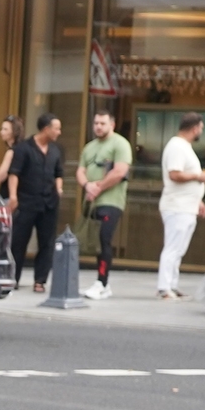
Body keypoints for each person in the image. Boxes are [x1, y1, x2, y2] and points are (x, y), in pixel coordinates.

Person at [75, 109, 131, 298]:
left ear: (112, 125)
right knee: (92, 242)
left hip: (111, 201)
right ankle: (99, 282)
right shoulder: (89, 147)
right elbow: (80, 171)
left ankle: (102, 282)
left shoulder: (120, 144)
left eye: (102, 123)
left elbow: (119, 172)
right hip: (91, 202)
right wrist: (86, 185)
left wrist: (97, 188)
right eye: (96, 123)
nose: (98, 127)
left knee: (104, 240)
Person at [9, 113, 66, 291]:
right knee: (19, 241)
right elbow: (14, 173)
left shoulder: (56, 151)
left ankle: (40, 280)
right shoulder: (23, 148)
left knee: (47, 242)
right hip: (26, 202)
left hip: (49, 203)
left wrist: (59, 188)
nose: (59, 132)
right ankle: (13, 278)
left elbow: (59, 174)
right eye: (56, 128)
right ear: (46, 129)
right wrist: (13, 196)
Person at [155, 111, 205, 299]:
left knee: (179, 248)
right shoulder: (177, 146)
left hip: (187, 205)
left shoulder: (183, 146)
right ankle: (164, 287)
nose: (201, 131)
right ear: (194, 128)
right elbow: (174, 174)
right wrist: (198, 176)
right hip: (177, 206)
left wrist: (198, 200)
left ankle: (172, 284)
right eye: (201, 128)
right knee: (173, 247)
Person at [0, 116, 20, 207]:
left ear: (13, 132)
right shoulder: (23, 150)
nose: (1, 132)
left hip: (8, 197)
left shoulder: (11, 152)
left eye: (5, 129)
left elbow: (0, 177)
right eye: (2, 129)